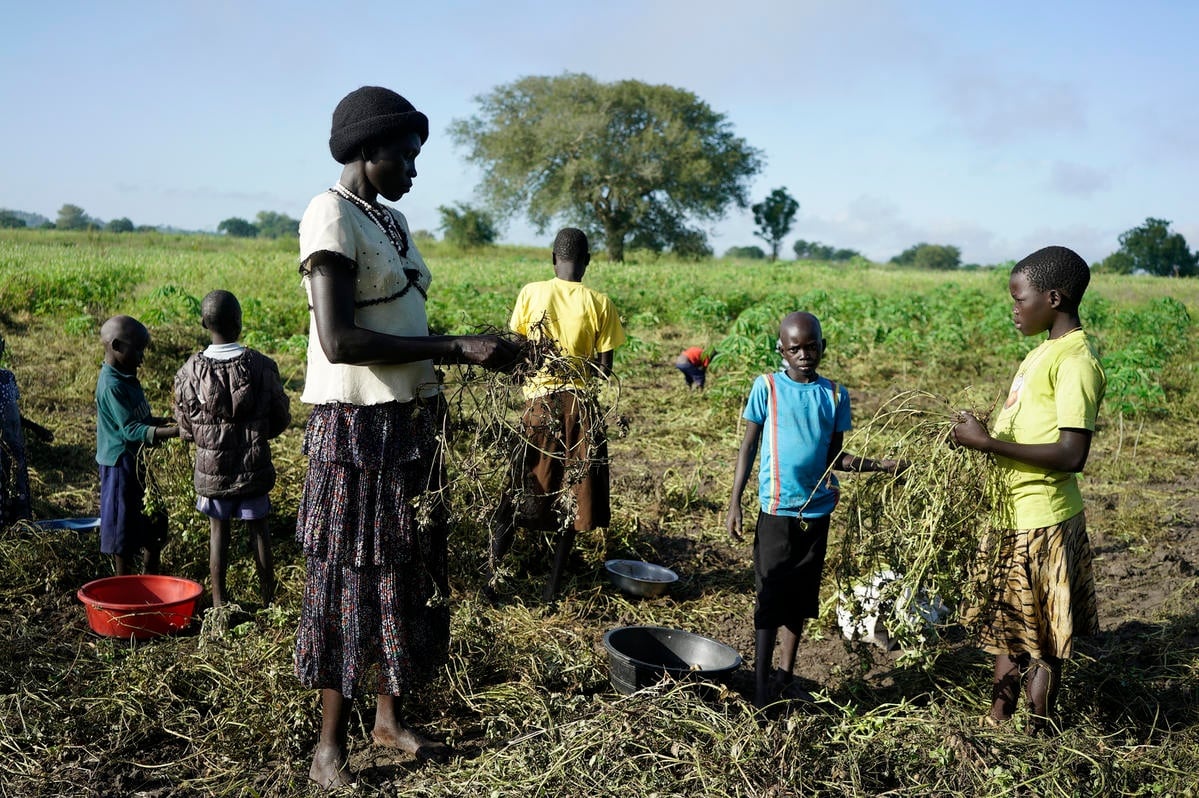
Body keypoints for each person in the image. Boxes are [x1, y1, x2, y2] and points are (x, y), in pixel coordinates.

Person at [295, 86, 522, 789]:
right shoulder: (329, 215)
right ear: (368, 151)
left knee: (403, 575)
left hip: (405, 424)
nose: (415, 171)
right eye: (407, 155)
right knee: (348, 583)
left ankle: (388, 722)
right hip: (355, 434)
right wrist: (458, 348)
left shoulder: (389, 221)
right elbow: (339, 341)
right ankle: (328, 750)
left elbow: (406, 329)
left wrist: (445, 386)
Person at [952, 245, 1104, 735]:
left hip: (1044, 522)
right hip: (1011, 515)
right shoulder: (1042, 352)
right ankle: (999, 720)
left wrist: (990, 442)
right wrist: (977, 441)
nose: (1013, 308)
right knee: (1006, 628)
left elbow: (1070, 455)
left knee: (1042, 639)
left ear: (1054, 298)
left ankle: (1039, 732)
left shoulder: (1076, 361)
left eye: (1020, 299)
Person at [726, 311, 900, 709]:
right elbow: (749, 447)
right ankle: (759, 686)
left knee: (800, 599)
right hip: (777, 510)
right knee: (769, 597)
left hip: (817, 512)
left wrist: (881, 466)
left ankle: (785, 677)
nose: (803, 355)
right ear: (781, 351)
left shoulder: (835, 394)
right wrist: (734, 501)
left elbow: (836, 457)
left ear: (823, 346)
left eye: (810, 347)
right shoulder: (767, 387)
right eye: (794, 348)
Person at [486, 227, 626, 603]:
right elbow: (604, 368)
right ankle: (551, 590)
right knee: (572, 495)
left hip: (540, 406)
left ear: (553, 259)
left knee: (517, 487)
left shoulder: (532, 292)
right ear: (588, 261)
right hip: (580, 410)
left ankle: (493, 579)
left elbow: (516, 349)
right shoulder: (600, 302)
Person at [174, 290, 291, 609]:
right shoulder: (263, 366)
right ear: (240, 323)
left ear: (203, 323)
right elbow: (280, 419)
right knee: (260, 531)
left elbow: (186, 429)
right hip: (254, 467)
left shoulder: (188, 372)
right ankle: (269, 604)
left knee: (218, 534)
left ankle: (219, 603)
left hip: (213, 473)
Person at [95, 316, 178, 576]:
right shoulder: (112, 385)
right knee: (124, 530)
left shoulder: (127, 377)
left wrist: (164, 422)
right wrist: (175, 432)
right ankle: (124, 586)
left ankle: (150, 576)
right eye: (139, 349)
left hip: (137, 460)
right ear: (117, 346)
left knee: (155, 521)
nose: (142, 357)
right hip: (121, 464)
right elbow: (131, 430)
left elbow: (139, 420)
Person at [0, 332, 54, 526]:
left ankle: (20, 526)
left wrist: (36, 428)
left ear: (3, 346)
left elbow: (13, 414)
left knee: (17, 486)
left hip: (14, 447)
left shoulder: (7, 378)